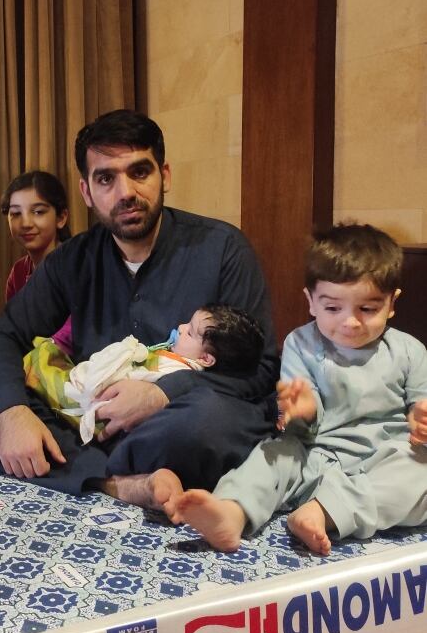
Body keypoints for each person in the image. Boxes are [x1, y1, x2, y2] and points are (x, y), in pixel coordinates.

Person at [0, 109, 279, 508]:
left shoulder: (223, 249)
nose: (125, 191)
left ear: (165, 176)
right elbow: (3, 337)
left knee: (209, 423)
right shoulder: (72, 261)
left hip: (180, 417)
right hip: (95, 420)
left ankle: (87, 470)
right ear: (87, 193)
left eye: (139, 172)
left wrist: (162, 395)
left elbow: (262, 370)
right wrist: (13, 412)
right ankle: (121, 485)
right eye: (106, 178)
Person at [172, 223, 427, 555]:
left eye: (367, 309)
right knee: (272, 455)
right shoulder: (301, 344)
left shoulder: (409, 350)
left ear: (392, 303)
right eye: (333, 308)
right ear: (311, 301)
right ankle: (231, 511)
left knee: (418, 472)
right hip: (317, 456)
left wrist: (420, 417)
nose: (350, 322)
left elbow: (420, 404)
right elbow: (298, 419)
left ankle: (324, 512)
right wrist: (302, 410)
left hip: (385, 460)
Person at [25, 304, 264, 445]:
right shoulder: (174, 357)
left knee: (42, 364)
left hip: (104, 408)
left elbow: (137, 385)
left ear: (205, 359)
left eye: (190, 333)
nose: (181, 328)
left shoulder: (176, 371)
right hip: (102, 387)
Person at [2, 171, 73, 353]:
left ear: (61, 217)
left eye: (38, 212)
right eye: (15, 213)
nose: (25, 223)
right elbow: (14, 328)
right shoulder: (18, 272)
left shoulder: (77, 264)